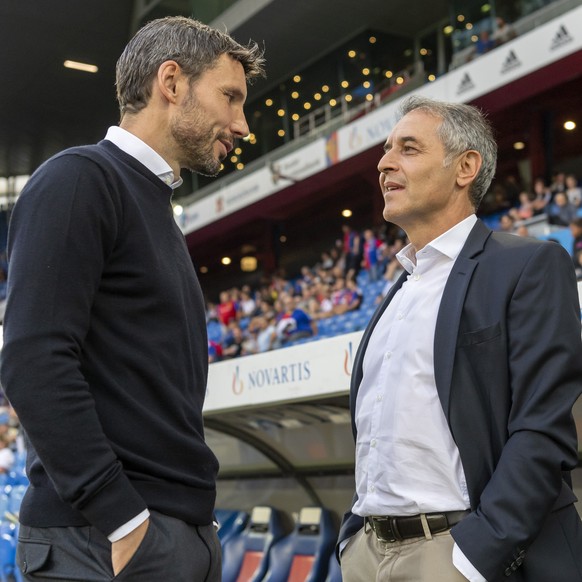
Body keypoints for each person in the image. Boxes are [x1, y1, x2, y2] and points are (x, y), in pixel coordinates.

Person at [0, 16, 264, 582]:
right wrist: (123, 519)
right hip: (102, 539)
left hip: (174, 531)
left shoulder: (156, 210)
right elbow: (34, 360)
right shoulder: (79, 179)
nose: (242, 124)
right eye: (230, 97)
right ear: (171, 82)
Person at [338, 95, 582, 582]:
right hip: (367, 556)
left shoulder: (528, 265)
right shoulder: (396, 292)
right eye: (387, 150)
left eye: (408, 148)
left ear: (465, 166)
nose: (385, 162)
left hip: (459, 556)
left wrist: (474, 558)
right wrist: (352, 540)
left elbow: (541, 429)